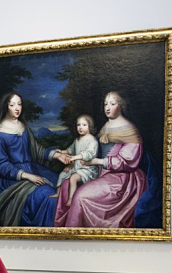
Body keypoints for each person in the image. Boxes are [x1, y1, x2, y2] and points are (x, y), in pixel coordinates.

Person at [0, 92, 70, 227]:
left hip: (32, 169)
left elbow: (36, 150)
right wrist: (27, 176)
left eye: (19, 104)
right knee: (49, 198)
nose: (17, 108)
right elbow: (0, 165)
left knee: (65, 186)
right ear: (5, 107)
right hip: (11, 180)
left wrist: (56, 155)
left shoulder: (22, 126)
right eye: (12, 105)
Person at [56, 91, 148, 228]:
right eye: (106, 104)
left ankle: (75, 231)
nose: (108, 107)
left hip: (121, 178)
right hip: (101, 171)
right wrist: (75, 164)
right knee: (66, 186)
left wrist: (97, 162)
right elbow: (92, 151)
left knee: (81, 195)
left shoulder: (130, 130)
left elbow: (127, 162)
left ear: (121, 106)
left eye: (112, 104)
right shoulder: (106, 126)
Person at [53, 114, 100, 207]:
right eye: (78, 125)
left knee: (73, 178)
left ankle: (71, 198)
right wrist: (62, 151)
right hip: (76, 166)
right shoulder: (77, 140)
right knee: (62, 173)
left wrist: (75, 158)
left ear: (89, 126)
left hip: (87, 169)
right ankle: (58, 193)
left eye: (84, 125)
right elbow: (71, 150)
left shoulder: (92, 141)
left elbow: (88, 154)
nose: (80, 127)